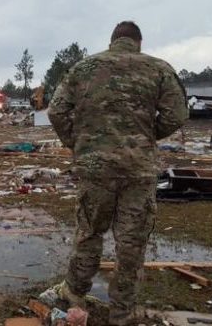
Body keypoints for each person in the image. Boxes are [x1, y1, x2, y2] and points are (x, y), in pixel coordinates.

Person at [45, 21, 188, 325]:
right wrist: (146, 136)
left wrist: (78, 143)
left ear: (112, 41)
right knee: (131, 243)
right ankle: (121, 313)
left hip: (95, 169)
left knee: (89, 232)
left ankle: (74, 294)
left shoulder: (84, 68)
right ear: (138, 42)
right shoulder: (159, 69)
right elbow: (178, 114)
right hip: (138, 171)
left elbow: (56, 110)